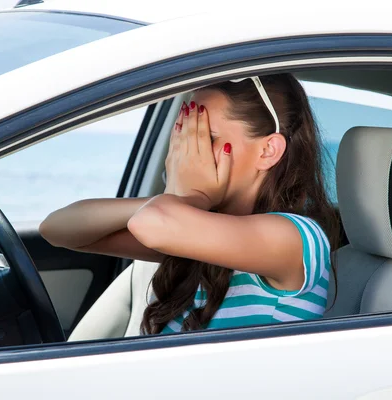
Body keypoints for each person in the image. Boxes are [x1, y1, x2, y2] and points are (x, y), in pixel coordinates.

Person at [39, 73, 338, 335]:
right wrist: (185, 201)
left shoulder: (297, 238)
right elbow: (58, 228)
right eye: (183, 136)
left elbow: (151, 224)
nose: (185, 153)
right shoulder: (194, 231)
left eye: (204, 136)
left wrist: (187, 197)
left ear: (267, 151)